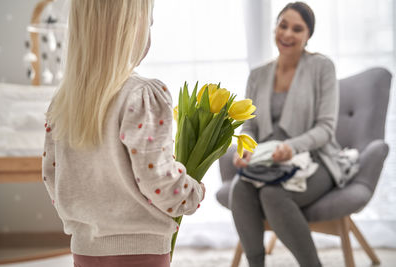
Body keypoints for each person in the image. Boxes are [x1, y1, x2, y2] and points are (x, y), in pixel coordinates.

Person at [42, 1, 205, 267]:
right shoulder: (142, 96)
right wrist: (192, 192)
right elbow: (158, 181)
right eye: (149, 24)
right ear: (132, 27)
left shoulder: (62, 103)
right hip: (142, 251)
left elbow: (52, 176)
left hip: (85, 249)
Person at [230, 2, 342, 267]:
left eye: (297, 28)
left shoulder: (322, 67)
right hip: (269, 161)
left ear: (308, 36)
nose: (287, 34)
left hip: (315, 159)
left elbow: (326, 128)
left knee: (272, 194)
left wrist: (292, 147)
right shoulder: (257, 75)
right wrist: (245, 148)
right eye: (283, 25)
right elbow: (249, 126)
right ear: (275, 27)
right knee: (239, 190)